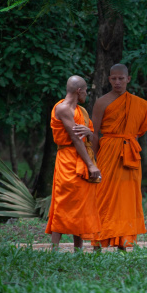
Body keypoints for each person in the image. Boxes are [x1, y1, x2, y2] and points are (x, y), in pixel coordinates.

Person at [91, 64, 147, 251]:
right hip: (108, 151)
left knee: (128, 198)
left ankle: (124, 243)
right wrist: (93, 160)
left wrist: (128, 143)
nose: (117, 82)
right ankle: (98, 241)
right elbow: (94, 133)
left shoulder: (138, 103)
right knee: (103, 196)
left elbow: (137, 130)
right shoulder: (101, 102)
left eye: (121, 78)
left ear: (128, 79)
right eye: (114, 78)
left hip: (130, 154)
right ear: (109, 79)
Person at [45, 75, 102, 251]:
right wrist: (91, 165)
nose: (87, 94)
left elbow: (89, 136)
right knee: (63, 202)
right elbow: (76, 139)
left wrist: (88, 131)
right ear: (79, 91)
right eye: (86, 91)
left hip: (83, 155)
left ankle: (78, 249)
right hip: (68, 159)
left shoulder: (81, 111)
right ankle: (54, 249)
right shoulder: (62, 109)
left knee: (81, 202)